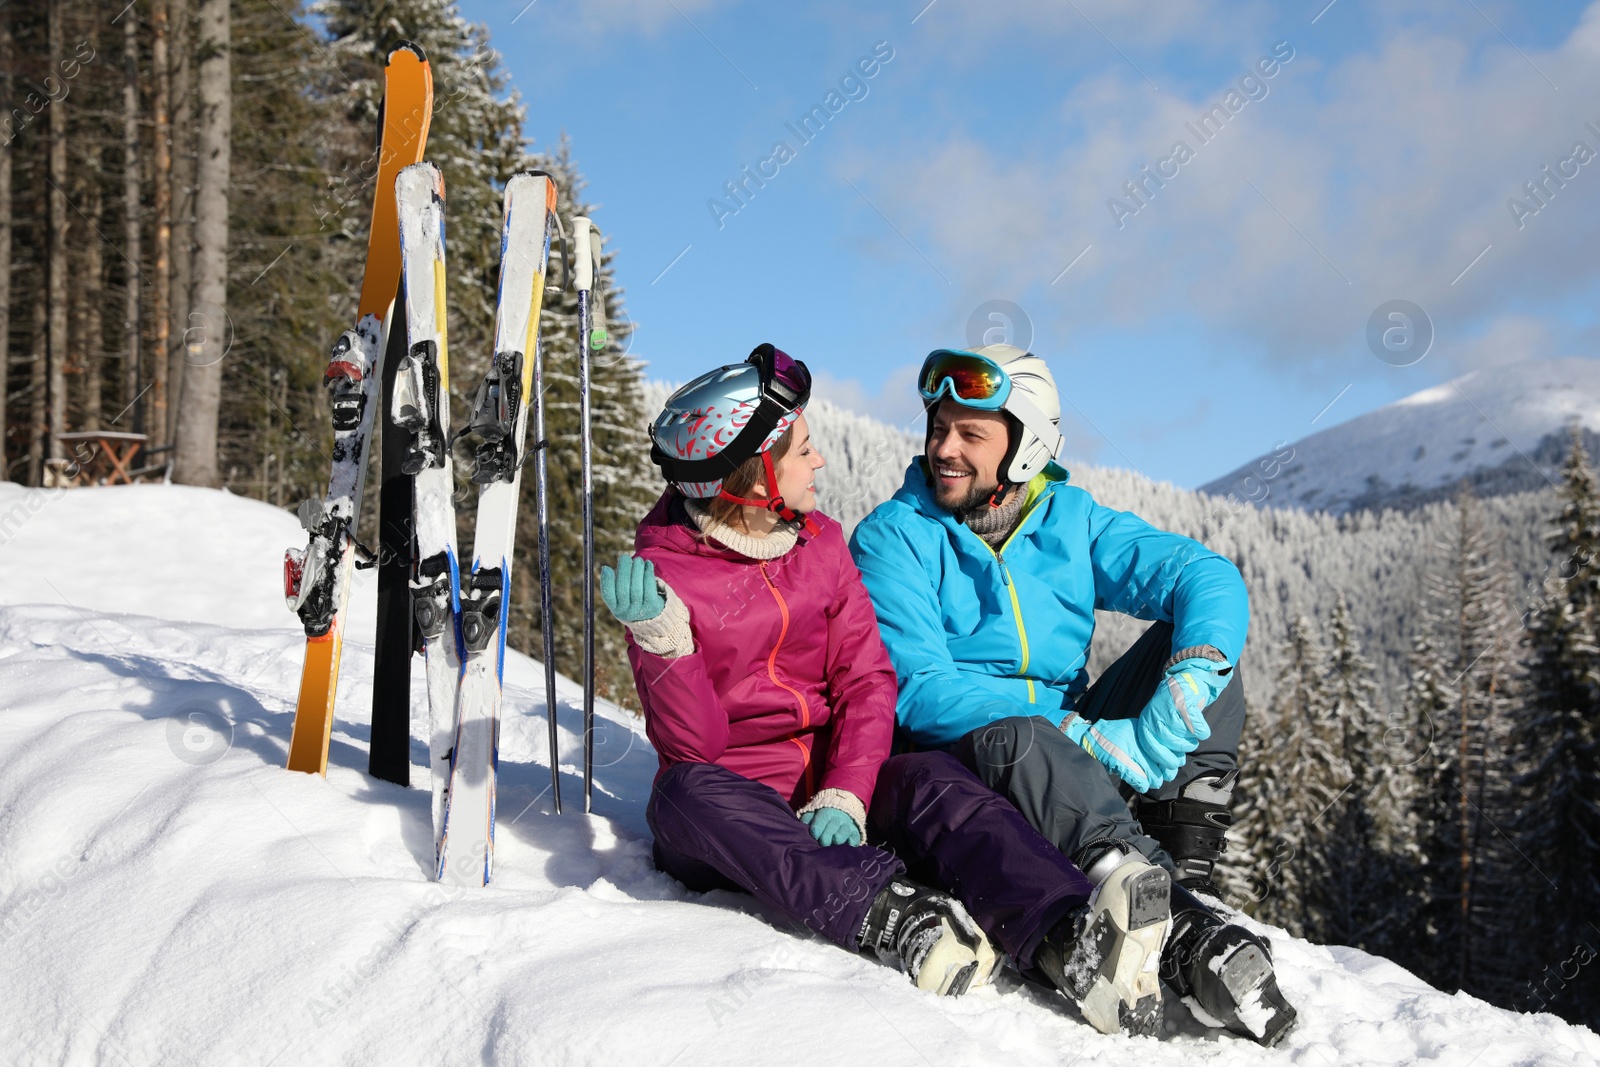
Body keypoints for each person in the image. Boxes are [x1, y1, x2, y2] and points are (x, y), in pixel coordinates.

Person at [602, 343, 1176, 1036]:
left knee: (936, 781)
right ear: (754, 479)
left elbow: (867, 680)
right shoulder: (666, 576)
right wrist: (666, 644)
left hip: (833, 794)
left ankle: (1065, 936)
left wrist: (847, 789)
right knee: (680, 793)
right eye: (802, 451)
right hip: (737, 815)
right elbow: (697, 747)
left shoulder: (820, 544)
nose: (818, 463)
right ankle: (885, 912)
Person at [848, 344, 1297, 1046]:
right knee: (1021, 734)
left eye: (971, 434)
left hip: (1066, 756)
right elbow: (920, 690)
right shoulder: (893, 538)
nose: (944, 449)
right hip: (967, 756)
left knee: (1207, 655)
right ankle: (1170, 919)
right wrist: (1075, 733)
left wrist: (1189, 678)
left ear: (1025, 448)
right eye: (939, 428)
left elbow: (1204, 575)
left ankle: (1182, 879)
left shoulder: (1069, 520)